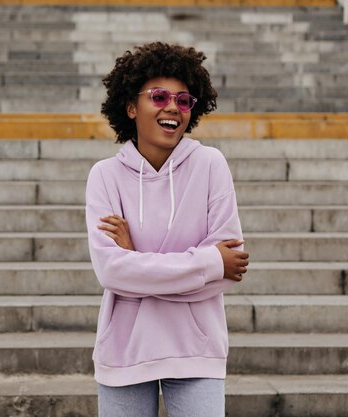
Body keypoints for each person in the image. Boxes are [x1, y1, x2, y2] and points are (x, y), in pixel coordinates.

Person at [85, 42, 250, 417]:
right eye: (158, 96)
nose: (172, 106)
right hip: (125, 350)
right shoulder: (104, 177)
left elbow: (230, 268)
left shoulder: (211, 165)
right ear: (131, 107)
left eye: (184, 99)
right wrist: (207, 263)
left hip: (197, 349)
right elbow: (111, 270)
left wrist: (137, 263)